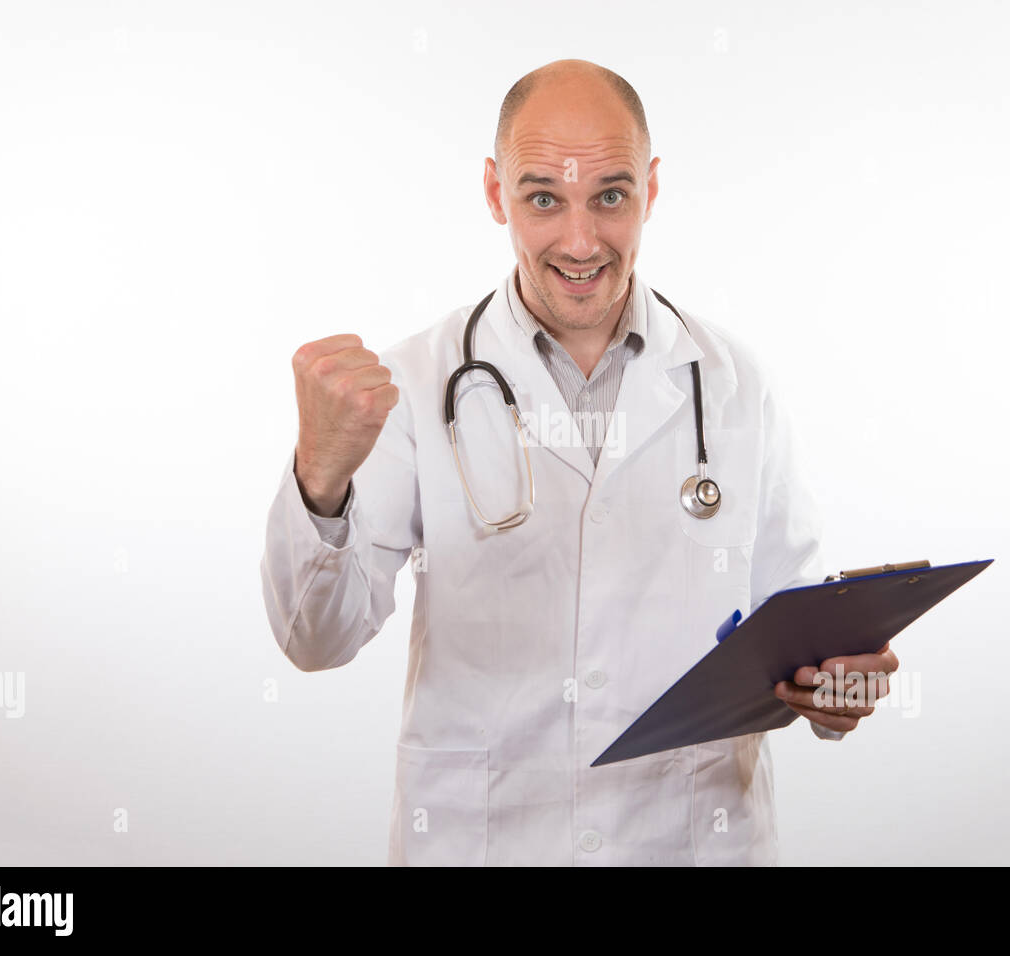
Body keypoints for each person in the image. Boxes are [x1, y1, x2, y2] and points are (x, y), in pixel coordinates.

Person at [261, 58, 898, 866]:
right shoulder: (416, 384)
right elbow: (315, 641)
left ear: (651, 188)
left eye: (610, 196)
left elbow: (797, 633)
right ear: (495, 193)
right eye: (542, 199)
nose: (580, 240)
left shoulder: (733, 384)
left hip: (691, 839)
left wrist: (839, 690)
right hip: (485, 841)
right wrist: (321, 474)